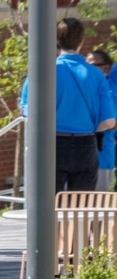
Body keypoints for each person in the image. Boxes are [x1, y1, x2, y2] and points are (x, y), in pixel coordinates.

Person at [47, 19, 116, 192]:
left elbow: (28, 116)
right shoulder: (96, 74)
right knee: (82, 207)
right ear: (82, 41)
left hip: (52, 144)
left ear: (56, 40)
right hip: (86, 144)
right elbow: (109, 121)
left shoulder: (44, 71)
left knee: (49, 207)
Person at [88, 49, 117, 190]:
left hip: (102, 156)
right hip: (84, 158)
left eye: (93, 65)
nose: (88, 68)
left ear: (106, 67)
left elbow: (112, 122)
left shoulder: (108, 89)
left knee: (97, 206)